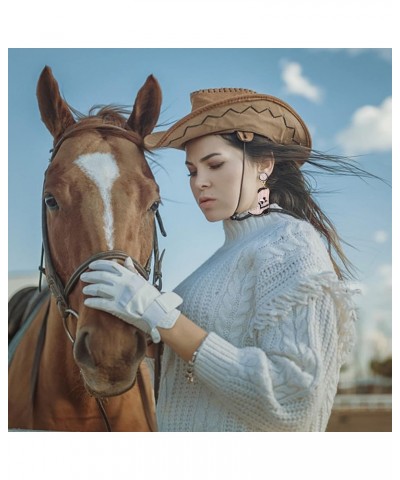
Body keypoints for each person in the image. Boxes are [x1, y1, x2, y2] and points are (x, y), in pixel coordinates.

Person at [81, 87, 360, 432]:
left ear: (264, 164)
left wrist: (162, 316)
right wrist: (146, 332)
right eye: (191, 171)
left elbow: (293, 399)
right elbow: (193, 380)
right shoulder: (215, 263)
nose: (200, 182)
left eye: (214, 164)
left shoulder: (290, 243)